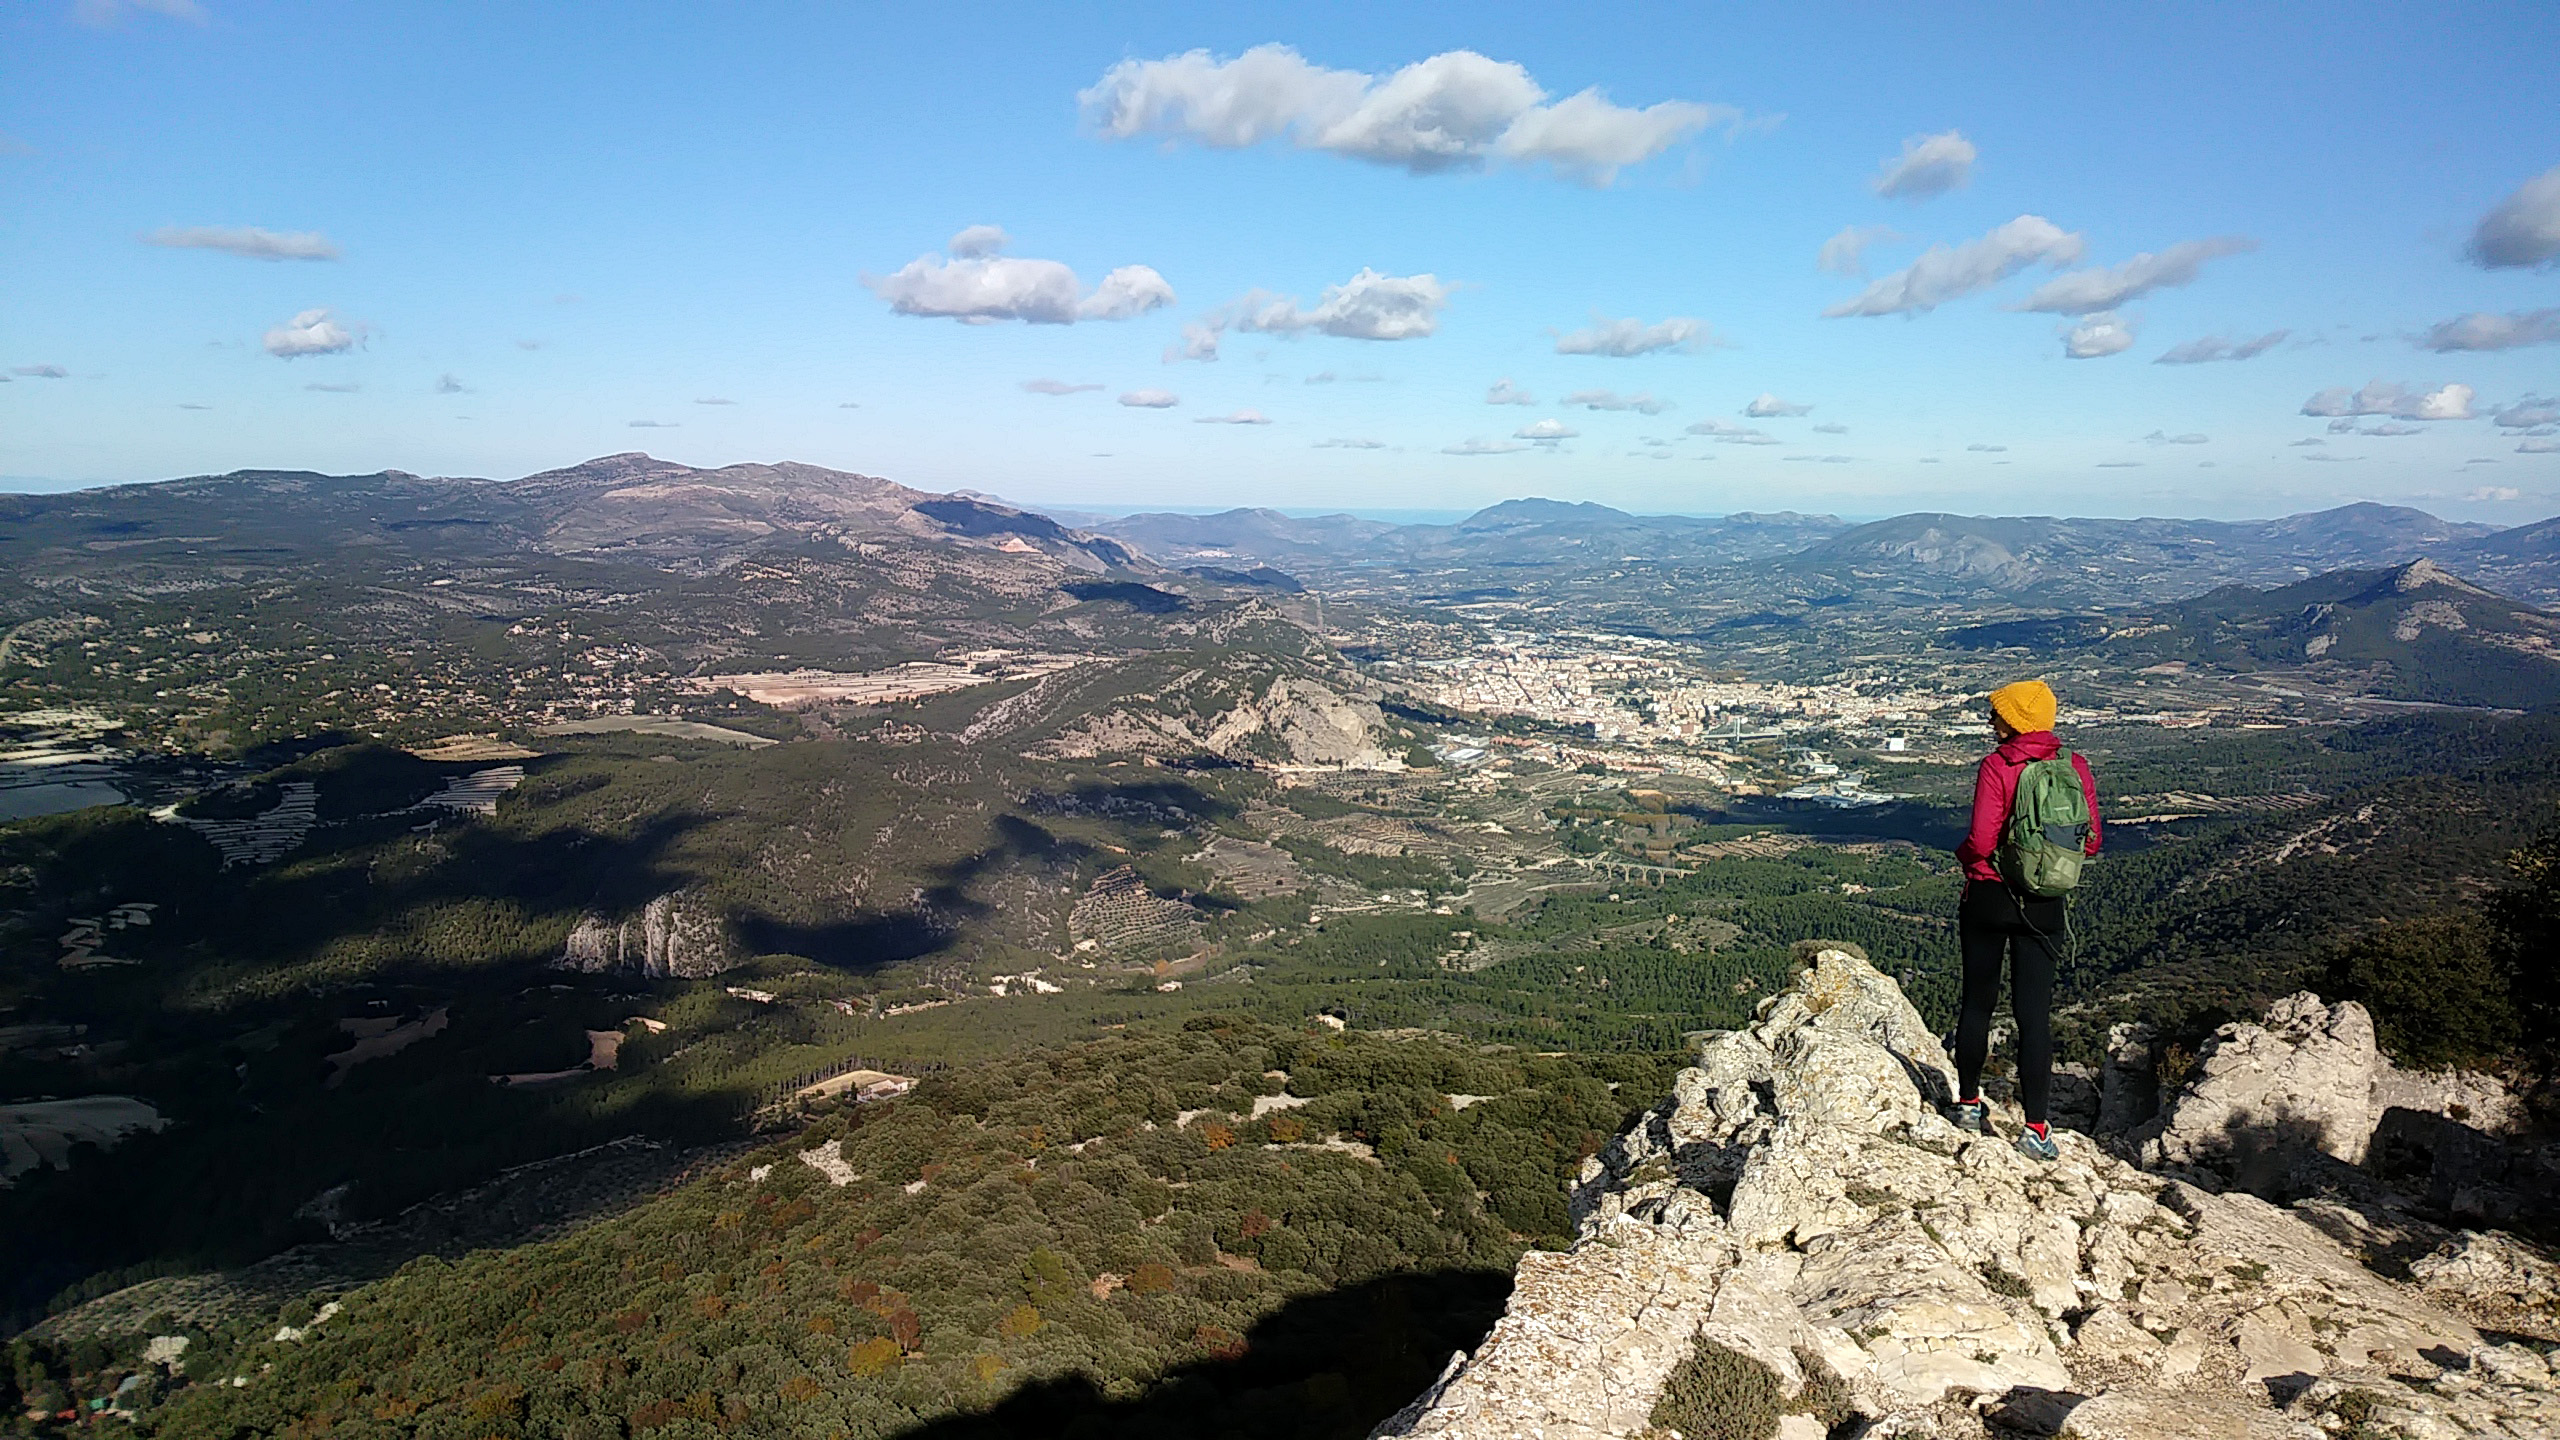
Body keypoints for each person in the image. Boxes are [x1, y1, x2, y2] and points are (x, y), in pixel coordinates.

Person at [1950, 679, 2101, 1161]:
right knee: (2034, 1016)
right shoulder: (2073, 766)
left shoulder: (1998, 766)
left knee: (1977, 1003)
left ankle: (1969, 1104)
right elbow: (2091, 839)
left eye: (1997, 715)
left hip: (1991, 897)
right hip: (2045, 902)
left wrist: (1969, 861)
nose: (1991, 723)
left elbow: (1980, 837)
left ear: (2013, 721)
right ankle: (2036, 1129)